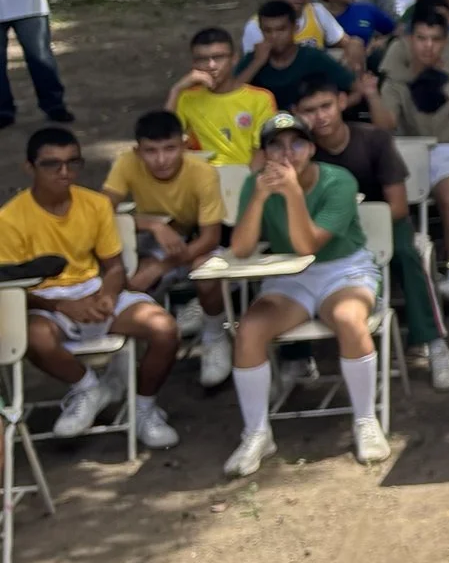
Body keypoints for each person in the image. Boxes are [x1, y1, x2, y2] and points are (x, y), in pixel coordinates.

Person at [219, 112, 386, 474]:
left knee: (348, 319)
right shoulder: (256, 183)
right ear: (263, 153)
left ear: (311, 148)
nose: (287, 153)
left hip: (343, 270)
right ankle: (257, 433)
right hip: (287, 278)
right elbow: (243, 248)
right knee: (248, 331)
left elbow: (308, 245)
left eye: (296, 143)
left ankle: (365, 420)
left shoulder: (337, 181)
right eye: (276, 146)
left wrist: (293, 193)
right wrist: (260, 198)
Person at [0, 127, 180, 447]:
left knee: (164, 328)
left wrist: (107, 295)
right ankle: (87, 388)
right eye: (51, 164)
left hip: (93, 288)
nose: (64, 172)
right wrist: (62, 306)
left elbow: (113, 266)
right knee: (34, 338)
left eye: (73, 162)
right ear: (30, 168)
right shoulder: (9, 219)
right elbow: (14, 290)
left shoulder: (95, 204)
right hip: (45, 300)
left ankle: (144, 409)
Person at [291, 78, 449, 392]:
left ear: (342, 101)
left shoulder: (374, 140)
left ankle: (434, 342)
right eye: (310, 111)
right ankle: (295, 357)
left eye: (326, 106)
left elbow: (398, 207)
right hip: (327, 233)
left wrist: (348, 216)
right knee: (294, 260)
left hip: (381, 223)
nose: (321, 116)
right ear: (298, 114)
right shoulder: (301, 151)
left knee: (410, 255)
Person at [103, 111, 231, 385]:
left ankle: (214, 334)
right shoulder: (126, 163)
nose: (161, 160)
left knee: (206, 271)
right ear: (137, 151)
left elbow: (210, 237)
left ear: (184, 146)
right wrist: (151, 225)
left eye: (170, 149)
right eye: (151, 151)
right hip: (154, 240)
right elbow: (100, 214)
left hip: (196, 242)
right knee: (125, 279)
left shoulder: (202, 173)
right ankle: (122, 362)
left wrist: (161, 267)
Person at [372, 12, 449, 266]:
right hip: (411, 156)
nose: (428, 45)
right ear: (410, 40)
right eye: (421, 38)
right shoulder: (396, 81)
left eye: (435, 39)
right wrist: (371, 95)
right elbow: (386, 126)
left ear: (445, 42)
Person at [172, 26, 281, 165]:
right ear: (194, 63)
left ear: (234, 58)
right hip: (204, 176)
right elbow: (163, 140)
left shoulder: (260, 98)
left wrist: (248, 183)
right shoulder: (186, 97)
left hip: (245, 175)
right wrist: (176, 90)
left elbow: (262, 151)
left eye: (218, 57)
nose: (211, 65)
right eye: (202, 59)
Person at [244, 0, 358, 111]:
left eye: (281, 30)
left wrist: (330, 114)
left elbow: (356, 88)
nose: (274, 36)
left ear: (295, 28)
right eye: (267, 31)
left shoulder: (313, 57)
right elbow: (229, 94)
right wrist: (257, 63)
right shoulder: (254, 58)